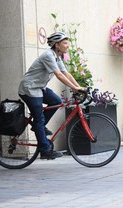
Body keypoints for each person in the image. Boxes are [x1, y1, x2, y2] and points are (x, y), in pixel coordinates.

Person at [18, 32, 84, 160]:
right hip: (29, 88)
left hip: (39, 88)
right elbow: (59, 75)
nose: (67, 46)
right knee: (39, 118)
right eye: (65, 43)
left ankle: (39, 127)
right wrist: (75, 88)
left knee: (56, 101)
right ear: (57, 45)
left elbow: (66, 73)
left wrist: (79, 87)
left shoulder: (57, 57)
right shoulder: (48, 56)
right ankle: (44, 150)